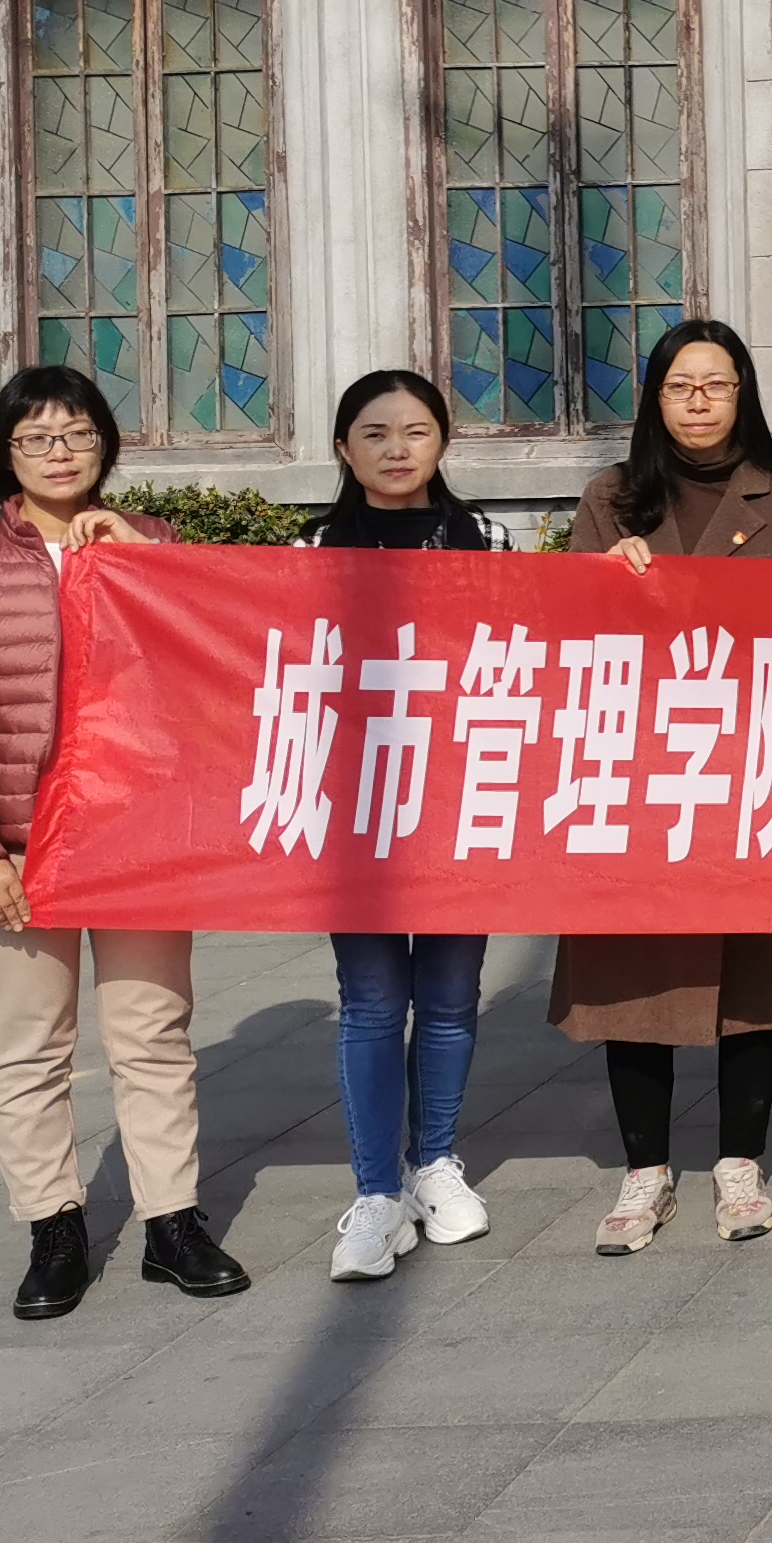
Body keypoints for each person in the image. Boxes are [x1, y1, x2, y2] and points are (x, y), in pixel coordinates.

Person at [0, 367, 240, 1317]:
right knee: (27, 1046)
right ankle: (53, 1230)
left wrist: (147, 559)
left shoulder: (156, 545)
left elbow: (214, 665)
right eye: (37, 438)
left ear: (105, 443)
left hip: (138, 842)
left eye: (78, 434)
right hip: (22, 847)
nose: (60, 453)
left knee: (153, 1036)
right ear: (5, 454)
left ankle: (172, 1223)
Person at [557, 320, 772, 1253]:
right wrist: (599, 580)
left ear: (743, 394)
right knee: (633, 974)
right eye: (680, 386)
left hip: (754, 763)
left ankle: (739, 1162)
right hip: (640, 768)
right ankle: (645, 1172)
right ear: (655, 398)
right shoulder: (610, 497)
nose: (699, 402)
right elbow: (566, 633)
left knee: (757, 970)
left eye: (717, 385)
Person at [306, 368, 508, 1281]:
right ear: (344, 449)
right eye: (375, 434)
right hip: (357, 809)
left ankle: (435, 1163)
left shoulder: (487, 540)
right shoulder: (311, 549)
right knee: (374, 1001)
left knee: (453, 995)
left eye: (415, 432)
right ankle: (376, 1193)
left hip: (460, 799)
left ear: (442, 443)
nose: (396, 450)